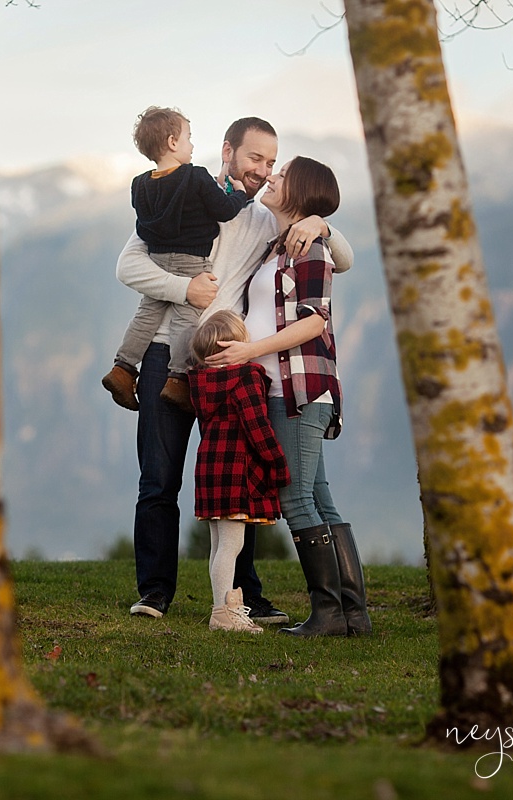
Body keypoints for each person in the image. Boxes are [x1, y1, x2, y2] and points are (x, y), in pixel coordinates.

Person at [116, 117, 354, 621]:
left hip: (229, 363)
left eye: (271, 163)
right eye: (255, 159)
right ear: (228, 152)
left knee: (235, 477)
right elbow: (128, 266)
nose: (263, 172)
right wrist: (185, 291)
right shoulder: (183, 192)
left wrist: (323, 225)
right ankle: (155, 592)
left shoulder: (269, 219)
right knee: (158, 477)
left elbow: (342, 258)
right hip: (166, 354)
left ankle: (245, 595)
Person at [204, 156, 370, 637]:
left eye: (281, 174)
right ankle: (350, 615)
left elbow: (315, 319)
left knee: (295, 498)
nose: (272, 178)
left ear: (300, 191)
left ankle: (328, 614)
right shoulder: (278, 245)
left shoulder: (309, 247)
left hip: (297, 389)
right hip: (279, 387)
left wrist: (249, 351)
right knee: (319, 496)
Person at [102, 107, 249, 413]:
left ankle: (123, 367)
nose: (192, 145)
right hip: (191, 261)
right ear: (172, 142)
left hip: (157, 258)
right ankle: (178, 379)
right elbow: (222, 210)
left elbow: (143, 226)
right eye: (188, 138)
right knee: (186, 319)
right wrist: (240, 195)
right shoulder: (195, 177)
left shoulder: (140, 184)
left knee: (146, 314)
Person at [188, 310, 289, 633]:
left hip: (209, 465)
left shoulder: (200, 382)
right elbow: (257, 426)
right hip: (235, 467)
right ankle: (223, 613)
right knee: (232, 546)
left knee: (219, 544)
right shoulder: (246, 377)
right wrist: (277, 462)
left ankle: (229, 605)